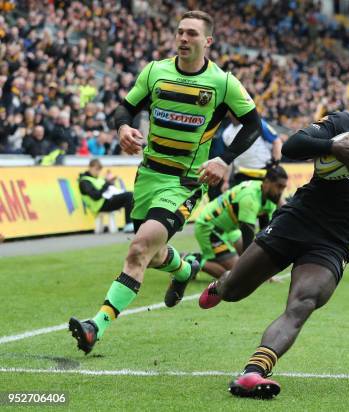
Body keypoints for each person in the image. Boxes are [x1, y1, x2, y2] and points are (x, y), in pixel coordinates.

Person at [198, 77, 349, 399]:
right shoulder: (343, 123)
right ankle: (221, 284)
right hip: (296, 221)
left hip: (333, 243)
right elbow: (291, 146)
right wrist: (331, 146)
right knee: (234, 291)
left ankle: (253, 373)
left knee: (303, 303)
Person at [68, 10, 262, 354]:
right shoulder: (156, 71)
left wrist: (223, 159)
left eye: (191, 33)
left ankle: (95, 326)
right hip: (147, 177)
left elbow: (252, 125)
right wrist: (123, 129)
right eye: (179, 32)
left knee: (138, 250)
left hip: (184, 184)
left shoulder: (223, 83)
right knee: (154, 255)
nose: (183, 38)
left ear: (208, 41)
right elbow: (124, 109)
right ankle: (186, 268)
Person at [184, 165, 288, 279]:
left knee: (244, 270)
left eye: (283, 188)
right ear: (267, 182)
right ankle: (191, 259)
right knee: (237, 275)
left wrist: (265, 273)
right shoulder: (250, 198)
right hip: (209, 226)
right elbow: (248, 244)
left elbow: (264, 237)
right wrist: (258, 272)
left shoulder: (269, 197)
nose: (281, 192)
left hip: (230, 229)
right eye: (279, 186)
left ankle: (215, 258)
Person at [222, 113, 283, 188]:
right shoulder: (226, 133)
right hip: (241, 174)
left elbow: (277, 141)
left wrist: (275, 164)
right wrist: (225, 181)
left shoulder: (257, 124)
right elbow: (228, 159)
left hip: (262, 171)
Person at [78, 158, 135, 233]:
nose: (98, 172)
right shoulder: (84, 181)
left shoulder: (98, 179)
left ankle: (132, 223)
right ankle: (129, 224)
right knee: (128, 196)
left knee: (131, 196)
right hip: (98, 206)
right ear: (90, 167)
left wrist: (109, 184)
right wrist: (106, 184)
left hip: (106, 201)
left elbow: (104, 189)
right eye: (96, 169)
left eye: (99, 170)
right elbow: (95, 197)